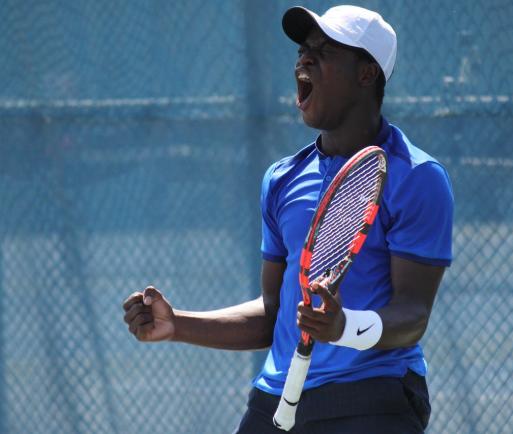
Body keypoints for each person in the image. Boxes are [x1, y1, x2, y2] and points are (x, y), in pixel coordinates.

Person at [123, 5, 453, 434]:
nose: (304, 59)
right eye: (302, 50)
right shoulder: (281, 179)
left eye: (324, 49)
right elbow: (274, 312)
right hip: (275, 400)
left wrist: (343, 326)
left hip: (372, 397)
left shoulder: (418, 177)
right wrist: (177, 325)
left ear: (367, 73)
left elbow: (412, 315)